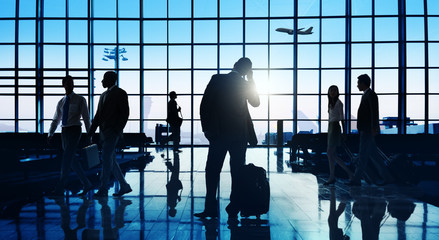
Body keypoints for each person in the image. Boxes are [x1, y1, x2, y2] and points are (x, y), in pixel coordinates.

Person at [194, 57, 260, 220]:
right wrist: (251, 80)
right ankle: (234, 207)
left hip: (219, 134)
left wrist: (207, 129)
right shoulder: (245, 84)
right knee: (237, 171)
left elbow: (204, 105)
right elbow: (256, 103)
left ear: (234, 65)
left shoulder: (218, 79)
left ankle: (210, 208)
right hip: (240, 135)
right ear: (247, 72)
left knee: (212, 170)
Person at [47, 75, 93, 197]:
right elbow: (56, 119)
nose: (70, 85)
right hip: (64, 131)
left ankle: (60, 188)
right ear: (63, 85)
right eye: (68, 83)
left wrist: (90, 135)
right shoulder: (61, 102)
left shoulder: (80, 99)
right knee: (72, 160)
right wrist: (50, 133)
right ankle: (87, 184)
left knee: (67, 158)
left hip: (75, 130)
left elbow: (86, 118)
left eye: (72, 83)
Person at [89, 71, 132, 197]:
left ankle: (103, 188)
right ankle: (124, 186)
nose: (102, 81)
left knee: (106, 158)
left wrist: (117, 130)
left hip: (112, 132)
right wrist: (90, 132)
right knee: (111, 160)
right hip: (104, 132)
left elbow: (125, 113)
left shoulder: (120, 93)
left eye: (103, 79)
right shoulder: (103, 95)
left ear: (110, 80)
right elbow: (98, 116)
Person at [347, 74, 387, 186]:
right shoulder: (367, 94)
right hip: (367, 129)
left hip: (368, 130)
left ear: (363, 83)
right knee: (374, 155)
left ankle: (356, 179)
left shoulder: (371, 95)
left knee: (363, 154)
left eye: (358, 83)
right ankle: (387, 177)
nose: (357, 85)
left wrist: (374, 127)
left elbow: (374, 112)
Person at [324, 85, 353, 185]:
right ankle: (332, 176)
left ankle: (348, 173)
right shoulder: (330, 103)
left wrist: (344, 132)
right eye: (331, 90)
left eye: (334, 91)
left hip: (335, 127)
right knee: (331, 154)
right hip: (331, 127)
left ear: (337, 92)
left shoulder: (339, 103)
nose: (332, 92)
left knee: (330, 153)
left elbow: (342, 119)